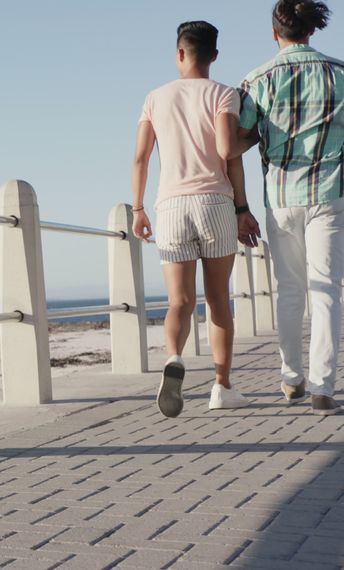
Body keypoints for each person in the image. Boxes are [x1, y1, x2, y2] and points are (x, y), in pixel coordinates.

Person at [131, 21, 261, 418]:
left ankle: (174, 356)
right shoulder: (224, 93)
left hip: (170, 207)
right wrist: (243, 206)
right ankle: (222, 386)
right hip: (215, 205)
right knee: (219, 299)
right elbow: (228, 152)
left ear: (179, 53)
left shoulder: (155, 97)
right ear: (215, 56)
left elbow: (141, 157)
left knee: (180, 301)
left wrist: (138, 208)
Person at [237, 0, 344, 416]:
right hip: (331, 193)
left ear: (274, 32)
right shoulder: (340, 73)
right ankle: (323, 387)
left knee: (291, 288)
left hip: (281, 197)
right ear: (311, 31)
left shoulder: (257, 79)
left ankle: (291, 376)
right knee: (327, 289)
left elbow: (237, 141)